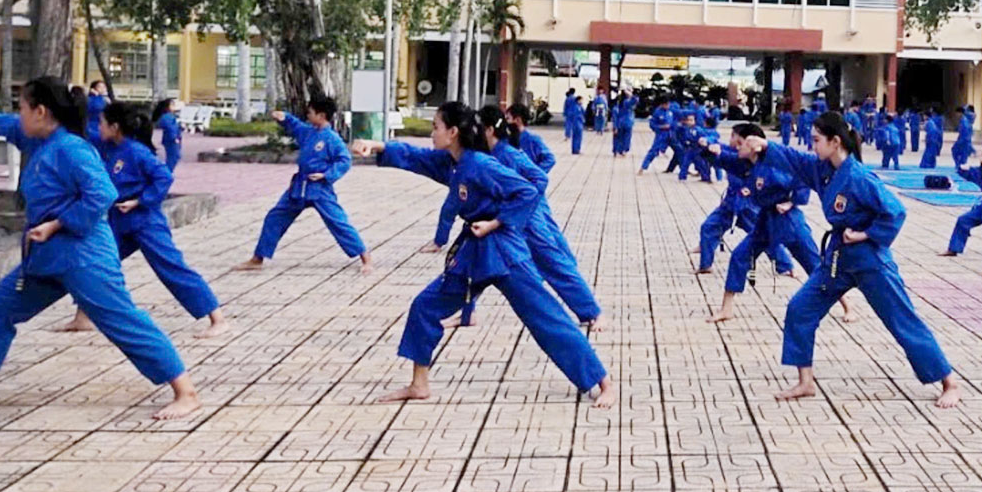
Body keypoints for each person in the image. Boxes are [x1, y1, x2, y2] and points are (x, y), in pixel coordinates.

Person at [0, 78, 201, 420]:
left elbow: (102, 193)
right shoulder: (44, 141)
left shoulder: (71, 149)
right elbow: (15, 128)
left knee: (122, 321)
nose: (19, 116)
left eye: (23, 107)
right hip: (46, 258)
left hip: (83, 256)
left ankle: (186, 391)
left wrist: (57, 223)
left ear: (41, 111)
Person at [359, 103, 615, 408]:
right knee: (425, 307)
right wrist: (378, 146)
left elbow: (529, 190)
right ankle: (419, 384)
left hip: (504, 250)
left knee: (544, 316)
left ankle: (604, 383)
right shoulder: (451, 162)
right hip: (472, 252)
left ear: (453, 132)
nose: (432, 133)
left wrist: (495, 222)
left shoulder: (482, 164)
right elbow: (417, 157)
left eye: (436, 127)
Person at [739, 113, 962, 408]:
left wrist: (866, 234)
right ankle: (805, 382)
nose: (812, 145)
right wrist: (765, 147)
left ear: (835, 142)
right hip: (837, 260)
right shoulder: (824, 171)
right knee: (800, 308)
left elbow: (896, 212)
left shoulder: (858, 177)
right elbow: (795, 160)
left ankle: (948, 381)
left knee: (901, 320)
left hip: (869, 259)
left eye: (817, 140)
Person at [407, 105, 606, 333]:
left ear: (490, 130)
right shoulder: (478, 158)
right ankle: (466, 314)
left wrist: (519, 206)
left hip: (527, 219)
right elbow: (452, 201)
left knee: (554, 264)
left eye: (477, 126)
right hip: (498, 221)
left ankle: (592, 312)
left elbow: (538, 179)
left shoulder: (509, 154)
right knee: (473, 264)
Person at [55, 103, 230, 338]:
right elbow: (84, 136)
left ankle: (217, 318)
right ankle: (83, 317)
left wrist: (140, 201)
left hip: (145, 220)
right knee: (97, 262)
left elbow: (163, 177)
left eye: (103, 123)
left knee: (171, 266)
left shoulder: (137, 152)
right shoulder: (111, 146)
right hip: (118, 220)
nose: (100, 127)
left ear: (115, 127)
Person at [705, 124, 848, 324]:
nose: (736, 147)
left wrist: (790, 201)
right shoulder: (747, 164)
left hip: (789, 222)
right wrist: (709, 149)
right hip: (765, 220)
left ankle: (846, 305)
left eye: (741, 143)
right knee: (740, 256)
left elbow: (802, 182)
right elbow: (726, 159)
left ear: (754, 145)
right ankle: (726, 308)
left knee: (814, 265)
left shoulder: (775, 166)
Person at [234, 95, 372, 274]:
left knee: (338, 222)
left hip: (320, 188)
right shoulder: (309, 132)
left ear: (321, 115)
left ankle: (365, 257)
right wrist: (285, 118)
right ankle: (258, 258)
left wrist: (326, 175)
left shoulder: (331, 139)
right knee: (275, 217)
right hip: (299, 186)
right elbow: (296, 126)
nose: (308, 115)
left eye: (311, 112)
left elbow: (344, 160)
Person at [694, 170, 793, 277]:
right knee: (709, 227)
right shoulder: (733, 156)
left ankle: (786, 265)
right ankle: (705, 265)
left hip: (747, 205)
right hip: (730, 203)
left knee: (765, 235)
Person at [505, 103, 555, 173]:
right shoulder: (506, 139)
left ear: (518, 120)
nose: (506, 122)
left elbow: (549, 159)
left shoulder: (532, 139)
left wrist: (535, 173)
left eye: (508, 118)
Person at [639, 98, 674, 174]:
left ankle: (684, 170)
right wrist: (661, 127)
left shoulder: (671, 110)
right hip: (661, 134)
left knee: (680, 150)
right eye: (666, 104)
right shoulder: (657, 113)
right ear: (662, 104)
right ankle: (643, 167)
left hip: (672, 134)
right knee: (653, 151)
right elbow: (652, 125)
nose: (668, 106)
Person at [152, 98, 184, 172]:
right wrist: (174, 138)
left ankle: (167, 171)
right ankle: (167, 171)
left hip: (172, 138)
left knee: (174, 156)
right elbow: (170, 128)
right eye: (172, 105)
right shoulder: (167, 117)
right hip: (172, 139)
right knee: (173, 156)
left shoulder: (169, 116)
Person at [612, 88, 637, 157]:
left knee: (618, 137)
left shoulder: (618, 105)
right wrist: (631, 95)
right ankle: (623, 150)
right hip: (627, 122)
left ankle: (616, 150)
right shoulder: (627, 103)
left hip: (620, 123)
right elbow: (635, 100)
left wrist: (615, 126)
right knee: (626, 138)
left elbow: (615, 117)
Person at [563, 88, 585, 155]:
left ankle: (567, 135)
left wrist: (565, 113)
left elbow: (565, 106)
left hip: (569, 114)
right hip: (577, 121)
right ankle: (576, 149)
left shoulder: (567, 98)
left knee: (568, 125)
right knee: (577, 136)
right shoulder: (576, 104)